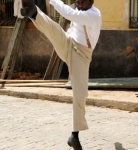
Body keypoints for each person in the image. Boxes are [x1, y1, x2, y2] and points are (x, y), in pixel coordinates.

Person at [20, 0, 102, 149]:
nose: (80, 5)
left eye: (84, 3)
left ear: (92, 1)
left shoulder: (93, 15)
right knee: (54, 29)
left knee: (80, 94)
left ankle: (74, 136)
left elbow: (69, 14)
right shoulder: (77, 8)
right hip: (68, 42)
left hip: (81, 55)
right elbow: (71, 12)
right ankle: (33, 12)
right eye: (78, 2)